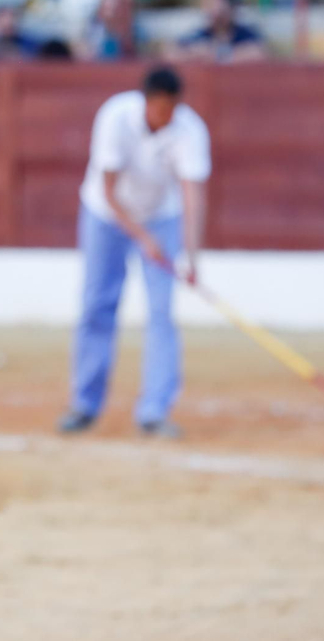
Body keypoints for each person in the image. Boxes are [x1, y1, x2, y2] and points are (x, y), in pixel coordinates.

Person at [60, 66, 210, 439]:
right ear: (145, 101)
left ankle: (155, 411)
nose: (165, 116)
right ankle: (85, 405)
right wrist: (143, 237)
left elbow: (193, 196)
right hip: (104, 215)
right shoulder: (115, 117)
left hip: (162, 215)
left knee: (161, 311)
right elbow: (108, 192)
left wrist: (191, 257)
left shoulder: (191, 129)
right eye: (160, 108)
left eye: (171, 109)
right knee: (97, 304)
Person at [175, 0, 267, 61]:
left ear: (231, 10)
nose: (216, 15)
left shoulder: (246, 34)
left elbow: (261, 53)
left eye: (222, 11)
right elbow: (174, 52)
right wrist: (194, 52)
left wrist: (220, 54)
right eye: (211, 9)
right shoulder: (199, 35)